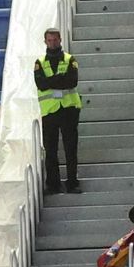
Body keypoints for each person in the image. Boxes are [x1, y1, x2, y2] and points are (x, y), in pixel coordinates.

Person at [35, 28, 82, 194]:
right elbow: (41, 84)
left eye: (55, 40)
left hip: (69, 109)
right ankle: (53, 185)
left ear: (60, 40)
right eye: (49, 40)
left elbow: (72, 81)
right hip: (50, 112)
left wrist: (51, 81)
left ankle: (72, 183)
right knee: (51, 150)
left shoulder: (70, 59)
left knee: (70, 148)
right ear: (45, 41)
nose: (52, 43)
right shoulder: (40, 62)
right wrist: (60, 80)